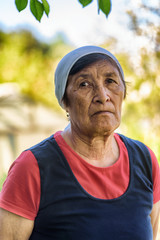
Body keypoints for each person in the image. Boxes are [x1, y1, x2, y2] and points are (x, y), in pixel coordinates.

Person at [0, 45, 160, 240]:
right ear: (64, 100)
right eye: (84, 84)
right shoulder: (33, 167)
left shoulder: (144, 160)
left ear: (123, 93)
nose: (102, 96)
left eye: (110, 81)